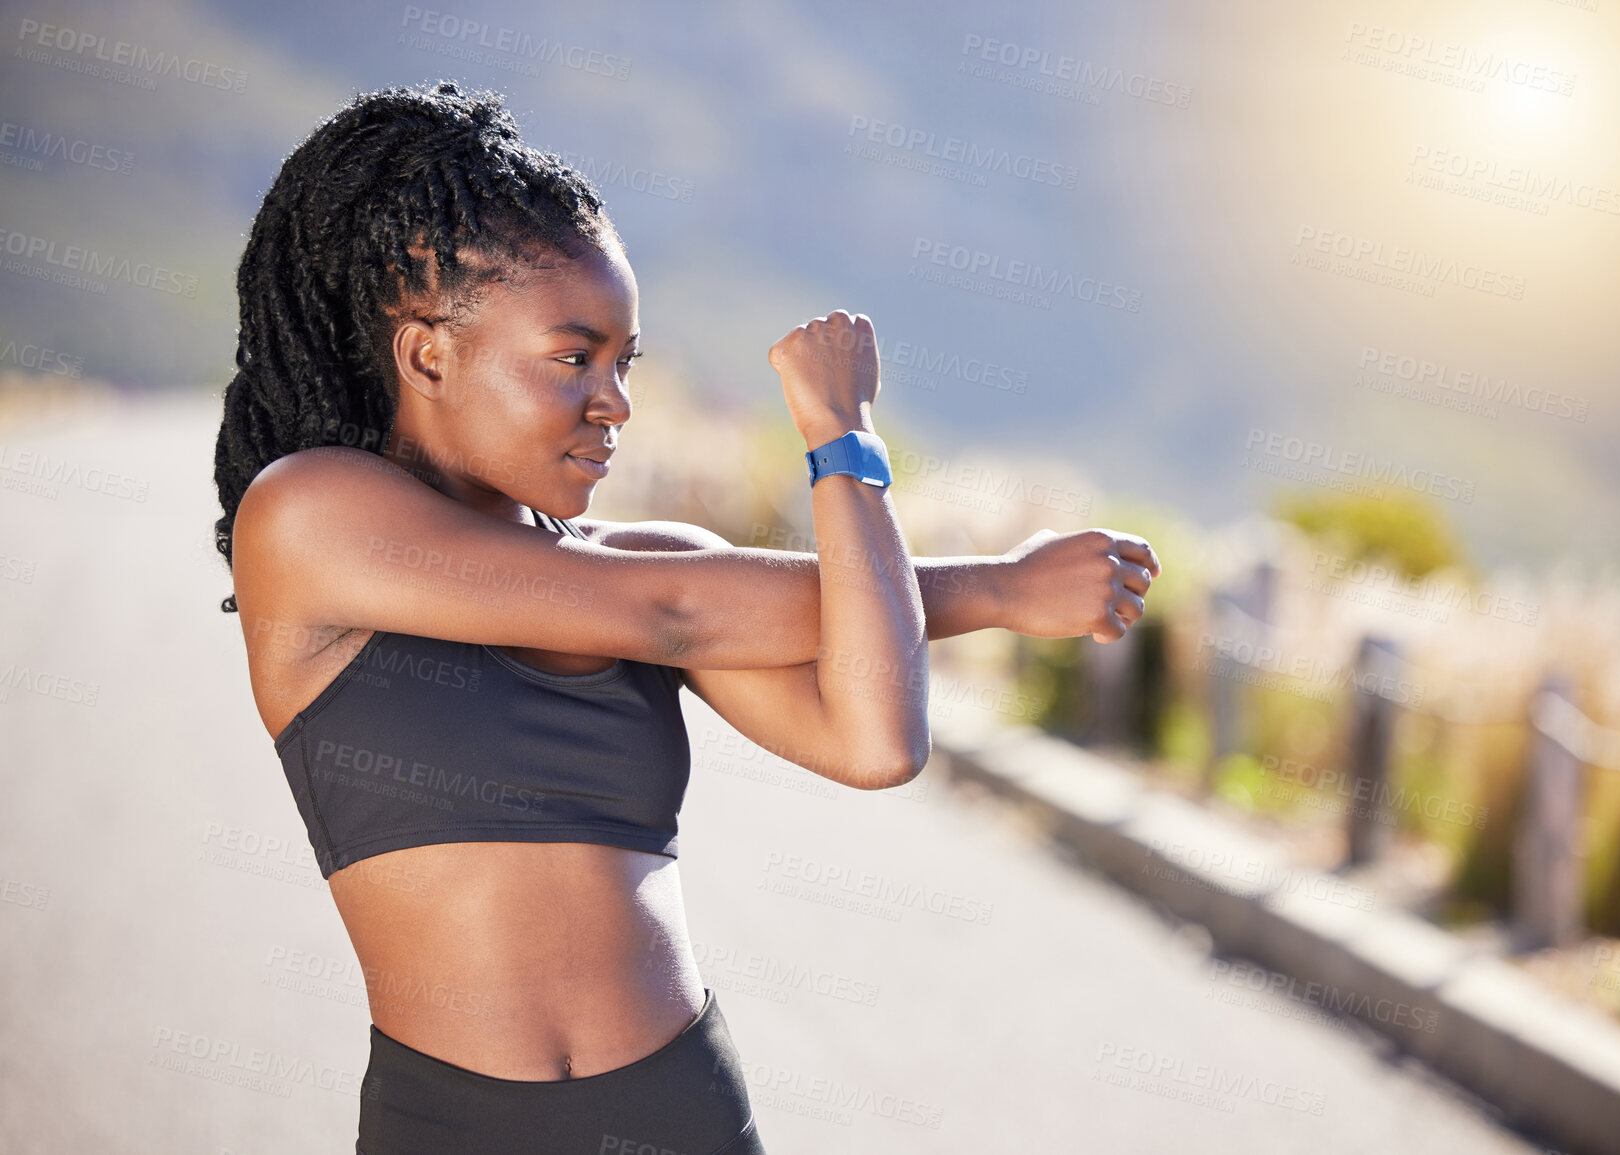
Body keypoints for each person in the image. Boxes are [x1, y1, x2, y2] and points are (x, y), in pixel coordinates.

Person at [212, 81, 1157, 1155]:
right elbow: (675, 617)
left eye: (625, 365)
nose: (614, 402)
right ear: (428, 352)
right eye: (576, 357)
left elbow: (876, 739)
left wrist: (842, 439)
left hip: (681, 1120)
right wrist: (998, 589)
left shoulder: (663, 567)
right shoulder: (305, 515)